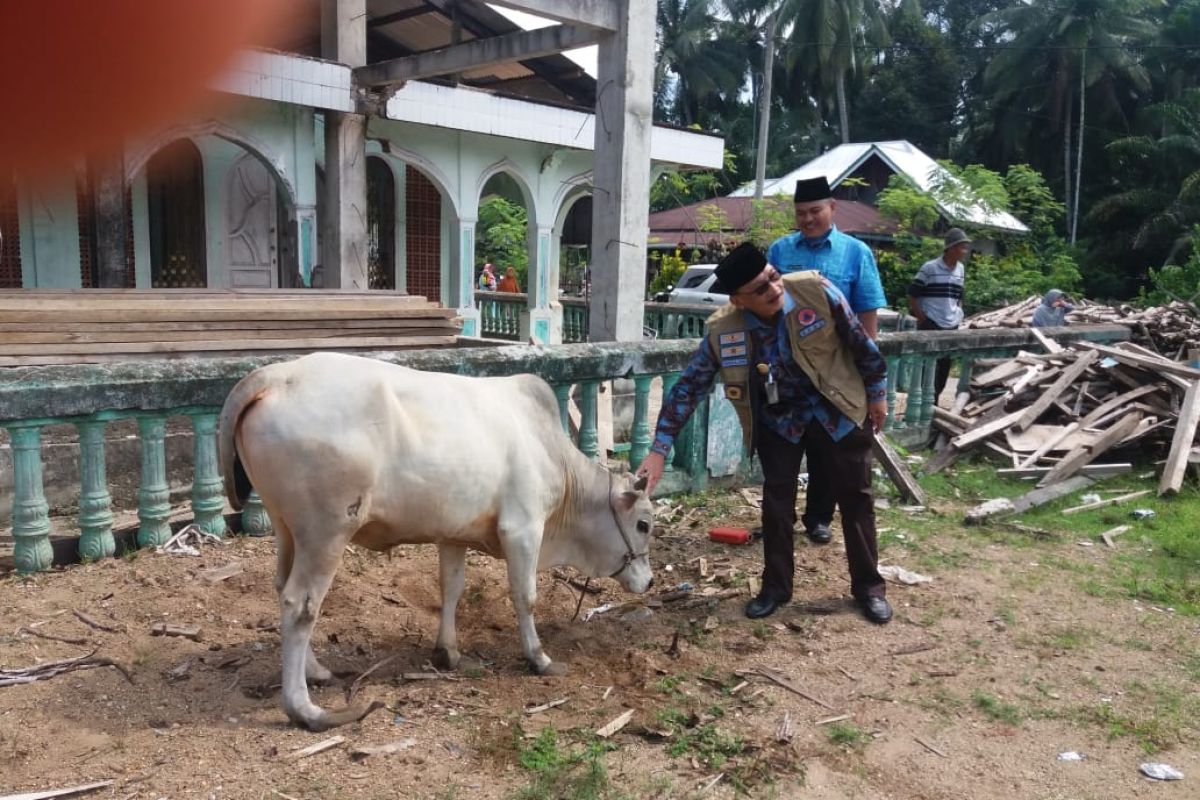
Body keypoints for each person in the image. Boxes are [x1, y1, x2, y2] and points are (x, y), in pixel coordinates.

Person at [636, 242, 892, 624]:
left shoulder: (817, 292)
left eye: (773, 277)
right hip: (780, 421)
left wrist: (877, 394)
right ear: (739, 301)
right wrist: (659, 448)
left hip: (836, 409)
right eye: (760, 288)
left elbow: (861, 343)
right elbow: (688, 388)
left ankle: (869, 588)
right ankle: (776, 588)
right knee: (776, 507)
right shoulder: (725, 332)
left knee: (856, 499)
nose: (773, 289)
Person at [765, 176, 888, 545]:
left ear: (832, 208)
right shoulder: (780, 251)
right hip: (789, 374)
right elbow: (765, 308)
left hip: (837, 372)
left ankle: (819, 517)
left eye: (815, 211)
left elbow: (867, 319)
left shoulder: (855, 253)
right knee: (787, 452)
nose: (807, 219)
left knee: (830, 452)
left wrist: (871, 383)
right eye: (800, 213)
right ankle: (779, 527)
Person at [908, 227, 971, 405]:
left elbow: (959, 296)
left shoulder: (961, 270)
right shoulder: (930, 268)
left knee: (944, 365)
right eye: (962, 247)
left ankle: (934, 401)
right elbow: (913, 294)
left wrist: (959, 313)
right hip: (931, 321)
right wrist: (922, 318)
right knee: (926, 364)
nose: (965, 252)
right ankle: (922, 403)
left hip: (951, 324)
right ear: (951, 248)